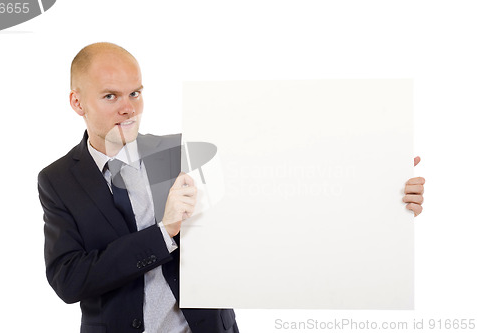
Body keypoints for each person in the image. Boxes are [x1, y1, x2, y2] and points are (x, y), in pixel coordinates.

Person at [38, 42, 424, 333]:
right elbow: (69, 280)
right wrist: (164, 232)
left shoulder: (182, 150)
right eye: (111, 96)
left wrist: (381, 184)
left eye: (135, 93)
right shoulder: (58, 180)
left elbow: (285, 184)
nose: (129, 108)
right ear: (77, 102)